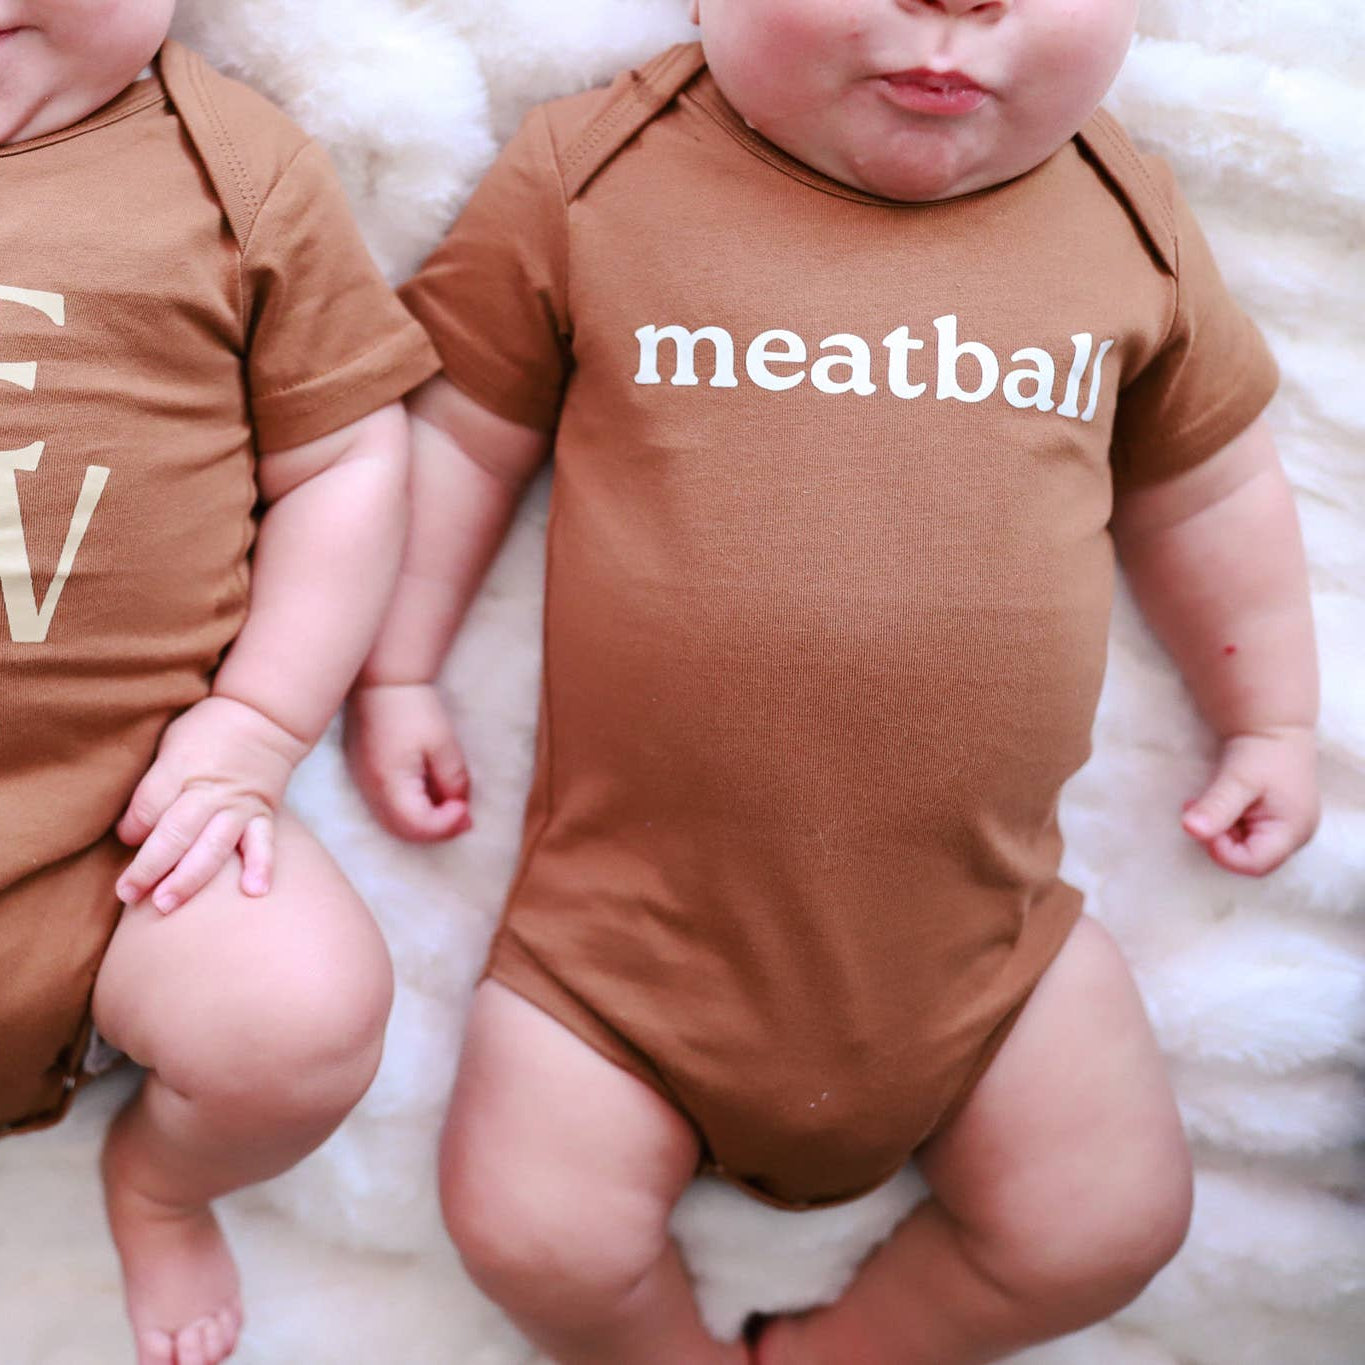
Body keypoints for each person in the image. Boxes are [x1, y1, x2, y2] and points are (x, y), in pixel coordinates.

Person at [346, 2, 1320, 1361]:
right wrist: (396, 666)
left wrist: (1266, 713)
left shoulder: (1119, 211)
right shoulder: (597, 167)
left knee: (1102, 1228)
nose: (956, 10)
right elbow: (460, 432)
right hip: (620, 947)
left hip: (991, 947)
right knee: (535, 1233)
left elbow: (1206, 486)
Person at [0, 4, 440, 1363]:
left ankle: (163, 1179)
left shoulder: (222, 160)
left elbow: (345, 460)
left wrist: (257, 722)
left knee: (298, 1022)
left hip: (130, 838)